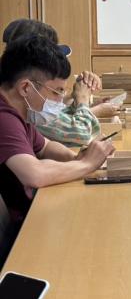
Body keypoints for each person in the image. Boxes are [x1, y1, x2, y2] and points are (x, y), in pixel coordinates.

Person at [0, 36, 115, 234]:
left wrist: (75, 158)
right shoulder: (4, 118)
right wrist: (86, 164)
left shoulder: (21, 111)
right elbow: (34, 175)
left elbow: (45, 146)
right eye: (56, 92)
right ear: (25, 88)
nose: (60, 101)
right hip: (22, 232)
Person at [2, 19, 118, 146]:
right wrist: (85, 101)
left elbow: (57, 114)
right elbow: (80, 133)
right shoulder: (27, 110)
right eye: (56, 91)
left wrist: (76, 97)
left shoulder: (26, 97)